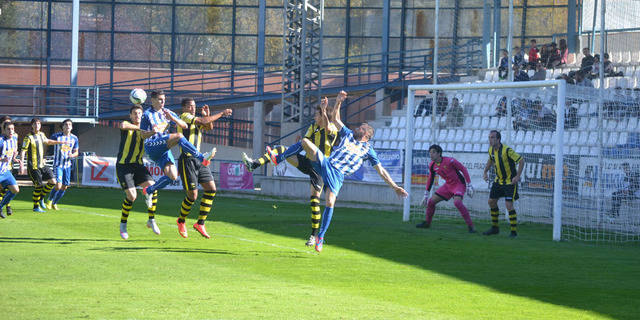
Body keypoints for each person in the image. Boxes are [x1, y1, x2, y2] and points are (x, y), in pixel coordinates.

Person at [271, 98, 408, 253]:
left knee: (330, 202)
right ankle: (278, 158)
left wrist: (395, 187)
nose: (358, 128)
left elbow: (381, 170)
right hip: (328, 163)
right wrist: (339, 101)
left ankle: (320, 237)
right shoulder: (348, 134)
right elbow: (335, 118)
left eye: (362, 128)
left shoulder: (368, 150)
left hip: (338, 175)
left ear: (367, 135)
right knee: (305, 142)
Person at [243, 91, 346, 246]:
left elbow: (325, 124)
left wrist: (324, 111)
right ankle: (254, 164)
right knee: (280, 149)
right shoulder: (313, 127)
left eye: (316, 115)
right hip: (308, 162)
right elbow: (305, 140)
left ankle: (313, 236)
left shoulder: (331, 128)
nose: (314, 117)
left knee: (314, 201)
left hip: (320, 169)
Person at [139, 90, 215, 205]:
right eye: (160, 99)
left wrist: (172, 118)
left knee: (172, 176)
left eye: (164, 99)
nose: (162, 102)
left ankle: (149, 190)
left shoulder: (167, 112)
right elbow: (142, 135)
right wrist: (151, 132)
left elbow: (184, 125)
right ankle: (201, 157)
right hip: (152, 146)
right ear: (152, 100)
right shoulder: (147, 115)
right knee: (179, 136)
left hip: (163, 149)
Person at [175, 98, 232, 239]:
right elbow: (203, 122)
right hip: (187, 159)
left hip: (200, 159)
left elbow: (208, 126)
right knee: (192, 196)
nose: (193, 108)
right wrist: (222, 113)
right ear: (184, 108)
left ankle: (200, 223)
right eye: (190, 106)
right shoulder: (184, 117)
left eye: (194, 106)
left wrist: (207, 116)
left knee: (211, 189)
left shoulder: (195, 118)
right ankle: (181, 220)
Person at [116, 105, 160, 240]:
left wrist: (154, 131)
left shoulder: (144, 129)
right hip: (124, 166)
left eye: (139, 113)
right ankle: (123, 225)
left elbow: (148, 134)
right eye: (135, 113)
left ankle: (151, 220)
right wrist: (141, 128)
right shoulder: (127, 125)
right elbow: (123, 125)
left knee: (153, 187)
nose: (137, 115)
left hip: (138, 165)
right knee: (132, 196)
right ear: (130, 115)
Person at [415, 144, 476, 233]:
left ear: (439, 153)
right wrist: (426, 194)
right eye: (430, 152)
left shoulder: (450, 161)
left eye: (433, 152)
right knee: (431, 202)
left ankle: (471, 226)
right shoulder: (432, 165)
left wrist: (469, 185)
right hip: (448, 186)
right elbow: (430, 179)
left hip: (458, 185)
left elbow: (463, 169)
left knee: (457, 202)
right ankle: (427, 223)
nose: (431, 154)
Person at [482, 130, 525, 238]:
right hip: (498, 181)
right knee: (491, 202)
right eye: (489, 137)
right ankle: (495, 228)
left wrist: (517, 176)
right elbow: (490, 160)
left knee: (508, 205)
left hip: (510, 182)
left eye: (492, 138)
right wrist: (485, 172)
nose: (490, 140)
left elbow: (521, 160)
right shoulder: (491, 150)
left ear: (498, 139)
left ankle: (513, 232)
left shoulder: (507, 150)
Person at [19, 118, 65, 213]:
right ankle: (35, 206)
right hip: (33, 166)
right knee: (38, 186)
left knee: (53, 181)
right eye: (35, 124)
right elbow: (23, 150)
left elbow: (47, 141)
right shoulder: (28, 137)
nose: (37, 125)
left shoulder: (41, 134)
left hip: (42, 164)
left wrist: (59, 142)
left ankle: (41, 198)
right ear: (32, 125)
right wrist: (21, 164)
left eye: (39, 124)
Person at [45, 119, 79, 210]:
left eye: (70, 124)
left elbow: (76, 152)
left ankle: (54, 203)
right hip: (58, 164)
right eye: (66, 124)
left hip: (67, 165)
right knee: (58, 185)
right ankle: (49, 200)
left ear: (72, 127)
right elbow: (47, 142)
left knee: (64, 187)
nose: (68, 126)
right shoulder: (56, 136)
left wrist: (72, 155)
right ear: (62, 127)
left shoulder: (74, 138)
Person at [0, 121, 20, 218]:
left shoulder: (14, 139)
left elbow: (13, 151)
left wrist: (15, 158)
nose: (11, 131)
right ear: (4, 130)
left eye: (12, 129)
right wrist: (1, 159)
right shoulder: (0, 141)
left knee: (15, 190)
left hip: (6, 171)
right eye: (8, 129)